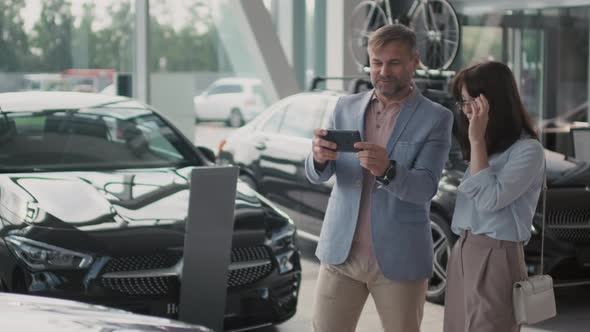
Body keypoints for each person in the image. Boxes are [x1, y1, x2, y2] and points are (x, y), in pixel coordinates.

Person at [305, 24, 453, 332]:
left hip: (400, 259)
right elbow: (321, 173)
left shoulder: (436, 118)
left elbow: (425, 187)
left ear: (415, 62)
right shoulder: (345, 107)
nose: (384, 70)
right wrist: (318, 159)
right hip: (340, 255)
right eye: (377, 62)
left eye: (394, 62)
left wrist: (388, 170)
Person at [443, 61, 545, 332]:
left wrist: (476, 141)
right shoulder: (491, 147)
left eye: (470, 102)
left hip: (497, 255)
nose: (465, 111)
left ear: (492, 101)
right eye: (462, 102)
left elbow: (490, 200)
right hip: (464, 250)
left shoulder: (528, 150)